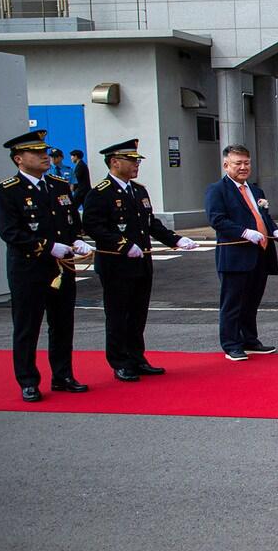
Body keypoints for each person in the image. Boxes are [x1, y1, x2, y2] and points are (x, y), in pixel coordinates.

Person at [81, 139, 197, 381]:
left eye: (137, 161)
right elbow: (93, 226)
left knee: (137, 314)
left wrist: (176, 240)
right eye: (131, 160)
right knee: (118, 315)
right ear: (115, 162)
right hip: (116, 265)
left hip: (141, 263)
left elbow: (150, 224)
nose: (136, 165)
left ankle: (136, 357)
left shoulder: (138, 190)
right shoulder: (100, 193)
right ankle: (120, 361)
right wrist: (122, 245)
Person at [0, 129, 91, 402]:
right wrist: (47, 246)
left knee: (62, 324)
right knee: (28, 326)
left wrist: (77, 240)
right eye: (35, 153)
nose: (44, 156)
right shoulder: (8, 191)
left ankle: (63, 375)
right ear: (19, 159)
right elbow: (10, 232)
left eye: (44, 151)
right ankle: (28, 380)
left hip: (61, 267)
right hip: (29, 269)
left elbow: (70, 222)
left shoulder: (58, 185)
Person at [204, 143, 278, 361]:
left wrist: (276, 230)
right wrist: (244, 232)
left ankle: (250, 339)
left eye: (247, 163)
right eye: (238, 163)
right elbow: (217, 220)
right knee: (233, 303)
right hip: (235, 256)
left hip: (260, 254)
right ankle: (231, 344)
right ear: (226, 165)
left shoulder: (256, 190)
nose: (243, 167)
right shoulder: (218, 190)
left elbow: (263, 217)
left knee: (252, 302)